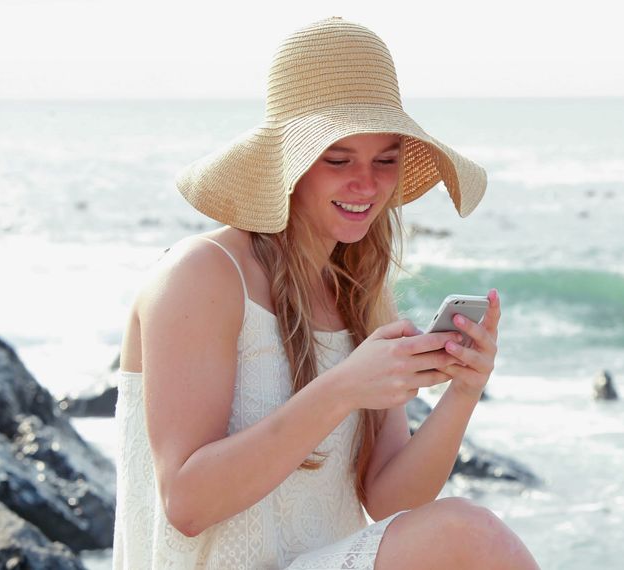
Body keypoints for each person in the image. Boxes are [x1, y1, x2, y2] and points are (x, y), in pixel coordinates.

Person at [110, 17, 541, 570]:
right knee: (469, 534)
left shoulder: (360, 296)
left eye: (386, 160)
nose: (367, 184)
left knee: (464, 535)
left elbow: (391, 503)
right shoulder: (203, 274)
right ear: (287, 165)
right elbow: (187, 503)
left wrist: (462, 393)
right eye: (339, 159)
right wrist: (342, 389)